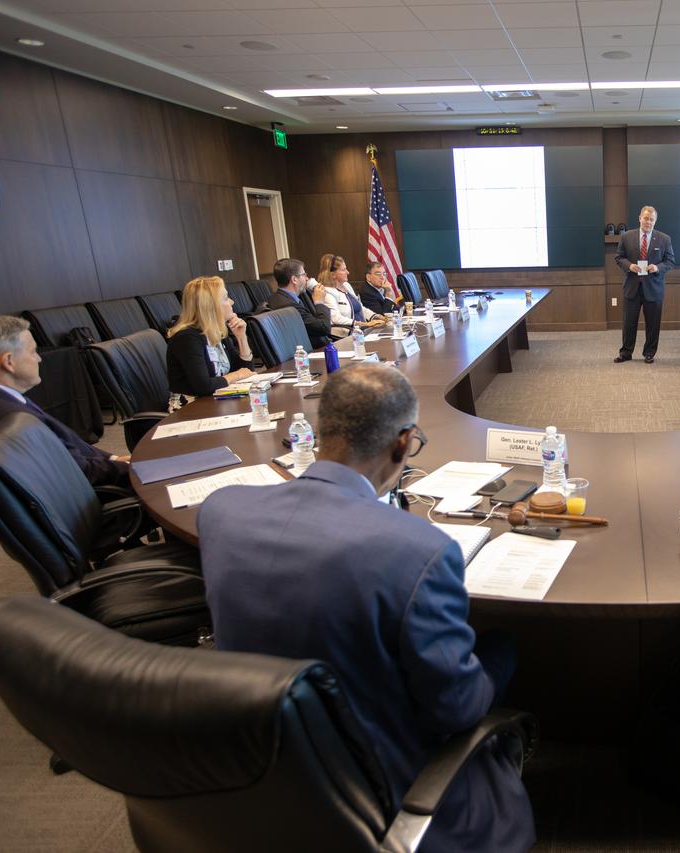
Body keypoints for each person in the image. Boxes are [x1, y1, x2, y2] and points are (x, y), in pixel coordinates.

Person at [198, 363, 534, 852]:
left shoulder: (221, 511)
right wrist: (502, 653)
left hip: (255, 769)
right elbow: (457, 708)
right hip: (376, 791)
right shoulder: (420, 549)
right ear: (402, 444)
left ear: (321, 431)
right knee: (502, 646)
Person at [0, 315, 129, 487]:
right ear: (9, 362)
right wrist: (133, 468)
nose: (39, 358)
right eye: (33, 352)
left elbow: (69, 442)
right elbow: (77, 471)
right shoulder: (8, 417)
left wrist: (113, 459)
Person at [165, 276, 254, 410]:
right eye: (226, 298)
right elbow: (203, 386)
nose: (232, 302)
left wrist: (241, 338)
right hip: (190, 409)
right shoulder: (187, 338)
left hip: (217, 401)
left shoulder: (216, 332)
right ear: (211, 306)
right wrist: (237, 375)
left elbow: (247, 371)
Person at [614, 205, 675, 364]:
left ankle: (649, 353)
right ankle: (626, 353)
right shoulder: (626, 237)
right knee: (629, 323)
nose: (648, 222)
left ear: (655, 221)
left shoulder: (664, 239)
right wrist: (629, 266)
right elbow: (619, 257)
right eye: (646, 218)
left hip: (654, 289)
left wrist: (657, 267)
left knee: (653, 325)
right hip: (632, 288)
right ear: (640, 218)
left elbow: (670, 261)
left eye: (651, 220)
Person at [267, 257, 333, 349]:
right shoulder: (289, 306)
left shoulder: (279, 297)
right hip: (310, 351)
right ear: (294, 279)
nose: (307, 279)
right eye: (304, 275)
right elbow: (324, 328)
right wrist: (319, 302)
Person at [318, 254, 384, 337]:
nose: (348, 272)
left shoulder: (346, 285)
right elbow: (335, 318)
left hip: (362, 331)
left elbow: (359, 307)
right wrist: (363, 324)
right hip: (345, 336)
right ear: (333, 274)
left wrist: (375, 316)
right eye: (343, 270)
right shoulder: (327, 292)